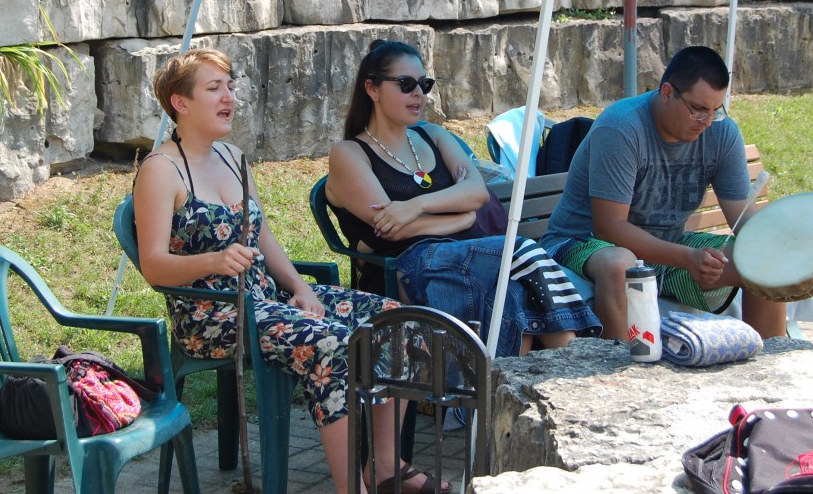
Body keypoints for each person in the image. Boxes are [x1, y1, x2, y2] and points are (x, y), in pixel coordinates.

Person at [134, 49, 447, 494]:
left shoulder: (232, 156)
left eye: (230, 86)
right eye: (214, 88)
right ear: (180, 103)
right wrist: (213, 261)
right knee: (333, 344)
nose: (229, 97)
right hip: (214, 314)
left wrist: (300, 288)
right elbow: (153, 267)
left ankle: (383, 464)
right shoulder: (160, 171)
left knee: (399, 319)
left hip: (267, 299)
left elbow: (262, 237)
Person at [325, 39, 601, 359]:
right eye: (406, 85)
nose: (419, 94)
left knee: (513, 295)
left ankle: (521, 391)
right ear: (372, 89)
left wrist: (416, 205)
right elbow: (392, 229)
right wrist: (461, 217)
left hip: (472, 261)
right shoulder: (349, 154)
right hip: (410, 268)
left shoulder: (434, 136)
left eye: (424, 84)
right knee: (521, 249)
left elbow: (475, 192)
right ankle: (581, 358)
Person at [540, 45, 787, 340]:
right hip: (581, 242)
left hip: (668, 246)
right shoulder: (622, 128)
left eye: (714, 111)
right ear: (667, 92)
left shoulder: (721, 133)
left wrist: (779, 245)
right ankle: (619, 373)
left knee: (763, 257)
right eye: (698, 109)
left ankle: (769, 362)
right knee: (621, 264)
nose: (707, 122)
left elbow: (743, 220)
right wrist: (687, 258)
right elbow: (609, 229)